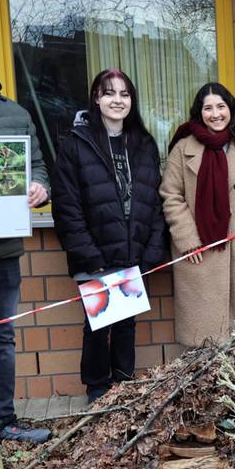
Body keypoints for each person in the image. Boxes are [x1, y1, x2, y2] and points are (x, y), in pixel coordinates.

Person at [52, 69, 165, 403]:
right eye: (109, 93)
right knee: (98, 325)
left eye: (124, 94)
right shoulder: (77, 144)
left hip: (133, 253)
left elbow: (155, 201)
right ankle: (98, 391)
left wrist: (151, 251)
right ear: (96, 99)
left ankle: (124, 387)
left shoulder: (143, 144)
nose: (118, 100)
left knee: (127, 324)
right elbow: (67, 207)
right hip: (95, 254)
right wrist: (91, 255)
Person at [160, 83, 235, 347]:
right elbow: (170, 195)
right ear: (200, 112)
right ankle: (203, 385)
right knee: (201, 341)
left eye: (221, 106)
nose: (215, 114)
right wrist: (187, 239)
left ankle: (232, 386)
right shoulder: (182, 148)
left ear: (230, 109)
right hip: (197, 254)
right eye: (208, 108)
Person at [0, 44, 51, 443]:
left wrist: (40, 187)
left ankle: (6, 421)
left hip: (2, 252)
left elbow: (39, 165)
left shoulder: (17, 115)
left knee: (1, 338)